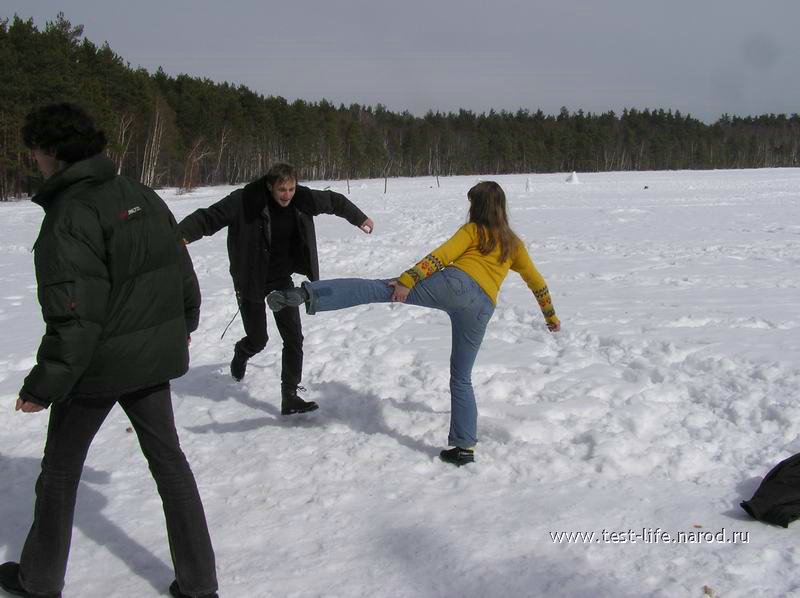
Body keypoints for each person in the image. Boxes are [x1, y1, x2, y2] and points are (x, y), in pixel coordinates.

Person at [0, 104, 217, 598]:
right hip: (149, 359)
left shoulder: (69, 214)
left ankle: (39, 581)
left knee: (58, 473)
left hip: (95, 369)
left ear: (53, 152)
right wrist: (184, 323)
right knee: (170, 466)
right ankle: (200, 584)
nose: (32, 158)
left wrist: (44, 386)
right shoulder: (138, 194)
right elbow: (181, 268)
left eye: (34, 149)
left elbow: (74, 318)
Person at [267, 181, 560, 466]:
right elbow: (537, 283)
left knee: (380, 288)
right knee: (462, 377)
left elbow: (441, 256)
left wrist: (407, 281)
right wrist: (551, 318)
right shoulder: (514, 244)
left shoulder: (473, 230)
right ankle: (463, 447)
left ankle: (307, 294)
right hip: (483, 308)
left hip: (456, 284)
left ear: (479, 207)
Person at [178, 162, 374, 415]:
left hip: (281, 279)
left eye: (291, 188)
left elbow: (333, 201)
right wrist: (181, 234)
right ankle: (242, 351)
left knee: (294, 337)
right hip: (250, 278)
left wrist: (359, 218)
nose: (287, 195)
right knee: (259, 340)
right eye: (282, 189)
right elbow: (209, 217)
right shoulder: (245, 200)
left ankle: (289, 396)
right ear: (270, 186)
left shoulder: (302, 198)